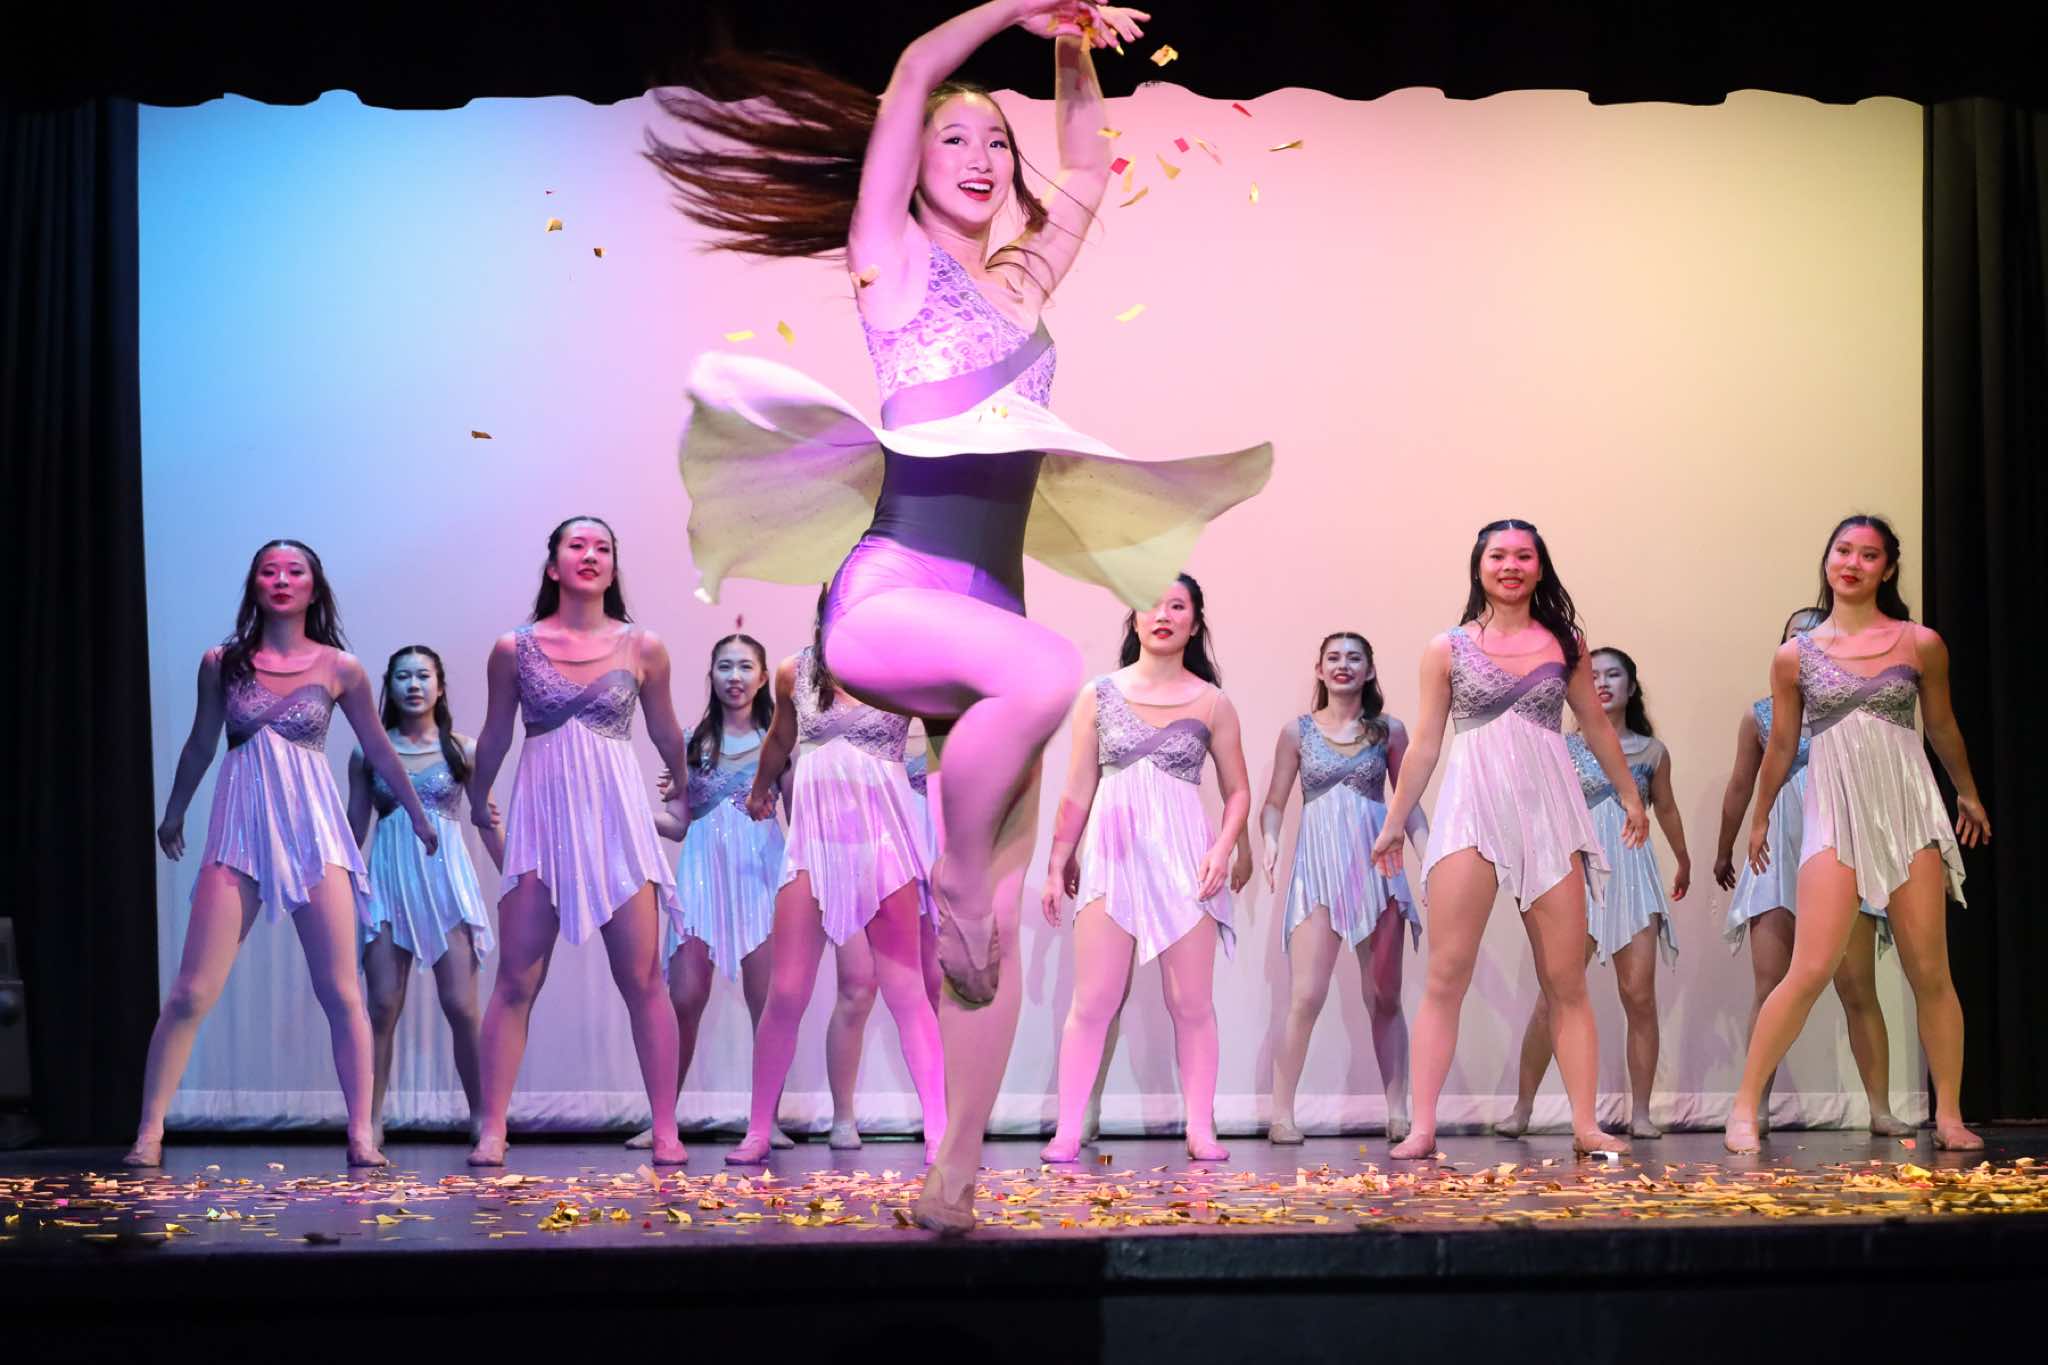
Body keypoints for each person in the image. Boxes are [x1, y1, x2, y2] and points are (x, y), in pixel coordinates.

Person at [656, 0, 1272, 1229]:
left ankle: (950, 1183)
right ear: (912, 164)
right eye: (956, 140)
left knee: (989, 942)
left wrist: (1069, 48)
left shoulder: (1022, 282)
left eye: (996, 140)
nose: (983, 157)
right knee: (1048, 679)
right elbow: (905, 77)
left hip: (984, 617)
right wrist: (1006, 9)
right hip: (889, 602)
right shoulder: (887, 263)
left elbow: (1085, 168)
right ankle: (947, 868)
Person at [131, 540, 437, 1168]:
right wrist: (174, 810)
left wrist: (415, 811)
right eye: (269, 571)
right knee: (191, 990)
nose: (281, 579)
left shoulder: (340, 667)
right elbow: (201, 743)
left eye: (294, 571)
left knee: (341, 992)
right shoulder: (223, 662)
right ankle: (149, 1131)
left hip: (313, 834)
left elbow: (379, 749)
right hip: (240, 830)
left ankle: (361, 1134)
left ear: (312, 588)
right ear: (255, 584)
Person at [1373, 520, 1645, 1160]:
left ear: (1539, 567)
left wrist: (1631, 796)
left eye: (1524, 556)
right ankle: (1422, 1127)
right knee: (1446, 973)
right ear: (1479, 566)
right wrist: (1394, 822)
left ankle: (1585, 1124)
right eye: (1499, 555)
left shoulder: (1564, 643)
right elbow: (1426, 744)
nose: (1511, 566)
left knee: (1566, 979)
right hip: (1472, 809)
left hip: (1548, 812)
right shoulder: (1447, 648)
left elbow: (1596, 726)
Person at [1724, 516, 1990, 1154]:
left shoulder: (1920, 643)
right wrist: (1759, 817)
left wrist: (1967, 791)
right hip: (1835, 815)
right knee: (1810, 967)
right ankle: (1743, 1108)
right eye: (1843, 551)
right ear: (1828, 560)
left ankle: (1949, 1116)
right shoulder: (1795, 655)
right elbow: (1781, 745)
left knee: (1931, 971)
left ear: (1887, 569)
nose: (1852, 563)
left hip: (1907, 812)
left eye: (1868, 555)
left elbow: (1942, 726)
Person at [465, 517, 693, 1166]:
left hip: (616, 822)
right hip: (543, 821)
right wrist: (478, 799)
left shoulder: (643, 646)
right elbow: (496, 733)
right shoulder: (514, 648)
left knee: (643, 978)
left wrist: (682, 788)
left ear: (613, 567)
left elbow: (667, 732)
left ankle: (666, 1127)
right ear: (553, 565)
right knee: (515, 978)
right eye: (577, 546)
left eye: (603, 548)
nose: (590, 555)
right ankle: (493, 1128)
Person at [1040, 574, 1251, 1163]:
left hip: (1187, 859)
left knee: (1192, 1003)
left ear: (1194, 622)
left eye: (1177, 606)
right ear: (1133, 617)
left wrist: (1223, 847)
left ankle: (1201, 1129)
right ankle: (1067, 1129)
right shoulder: (1099, 694)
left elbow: (1238, 790)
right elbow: (1077, 788)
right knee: (1093, 1000)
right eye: (1151, 604)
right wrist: (1057, 862)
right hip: (1114, 857)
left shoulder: (1213, 702)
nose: (1163, 615)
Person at [723, 622, 946, 1165]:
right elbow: (781, 738)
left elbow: (945, 752)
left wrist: (947, 842)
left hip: (884, 845)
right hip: (814, 846)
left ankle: (940, 1133)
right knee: (786, 991)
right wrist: (759, 790)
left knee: (906, 990)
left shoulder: (903, 671)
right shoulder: (795, 671)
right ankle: (758, 1130)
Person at [1713, 608, 1911, 1137]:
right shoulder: (1761, 715)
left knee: (1857, 987)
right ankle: (1753, 1107)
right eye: (1795, 634)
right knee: (1771, 984)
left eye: (1815, 631)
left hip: (1840, 844)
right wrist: (1724, 848)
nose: (1805, 640)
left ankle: (1880, 1108)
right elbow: (1741, 784)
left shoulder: (1857, 706)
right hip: (1777, 854)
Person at [1496, 647, 1690, 1140]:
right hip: (1574, 872)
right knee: (1554, 997)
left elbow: (1666, 809)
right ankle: (1522, 1108)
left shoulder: (1651, 752)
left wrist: (1684, 860)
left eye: (1613, 674)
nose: (1602, 683)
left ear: (1631, 686)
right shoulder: (1559, 747)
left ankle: (1640, 1112)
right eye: (1594, 675)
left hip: (1633, 875)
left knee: (1639, 995)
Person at [625, 632, 797, 1151]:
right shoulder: (689, 743)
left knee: (767, 1003)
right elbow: (678, 824)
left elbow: (798, 819)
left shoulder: (778, 743)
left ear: (763, 678)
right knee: (683, 997)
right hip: (701, 874)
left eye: (745, 667)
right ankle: (662, 1120)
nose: (735, 677)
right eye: (725, 666)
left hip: (761, 875)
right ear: (712, 675)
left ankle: (765, 1122)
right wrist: (628, 812)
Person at [1260, 631, 1423, 1145]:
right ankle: (1281, 1114)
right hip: (1318, 869)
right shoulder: (1297, 732)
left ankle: (1398, 1111)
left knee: (1385, 995)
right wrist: (1269, 841)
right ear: (1319, 669)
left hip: (1378, 868)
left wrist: (1430, 856)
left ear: (1369, 670)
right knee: (1306, 995)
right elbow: (1274, 802)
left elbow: (1409, 803)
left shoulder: (1389, 731)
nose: (1343, 665)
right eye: (1333, 657)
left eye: (1354, 658)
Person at [347, 645, 503, 1150]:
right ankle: (369, 1121)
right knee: (381, 1006)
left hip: (445, 885)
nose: (413, 685)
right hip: (388, 883)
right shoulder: (367, 752)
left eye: (423, 676)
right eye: (402, 677)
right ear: (388, 687)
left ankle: (483, 1116)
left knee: (461, 1007)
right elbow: (354, 828)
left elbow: (486, 820)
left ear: (439, 686)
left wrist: (516, 876)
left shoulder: (464, 749)